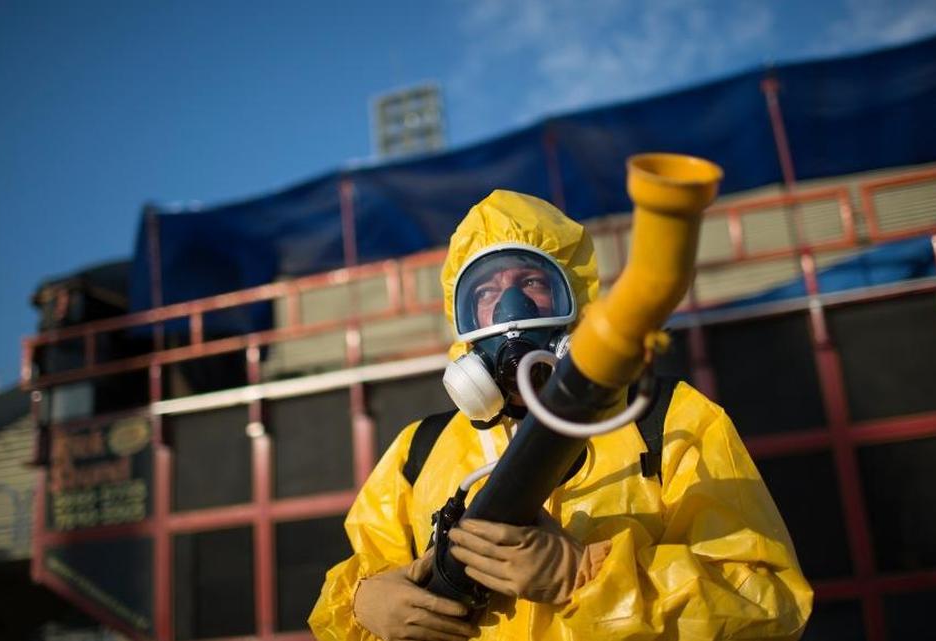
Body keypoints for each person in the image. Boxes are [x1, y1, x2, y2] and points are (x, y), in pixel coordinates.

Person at [309, 189, 813, 641]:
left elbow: (769, 604)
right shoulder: (418, 452)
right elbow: (351, 588)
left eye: (532, 282)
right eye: (485, 293)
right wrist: (360, 608)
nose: (509, 307)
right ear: (461, 318)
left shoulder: (666, 420)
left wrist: (587, 578)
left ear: (576, 299)